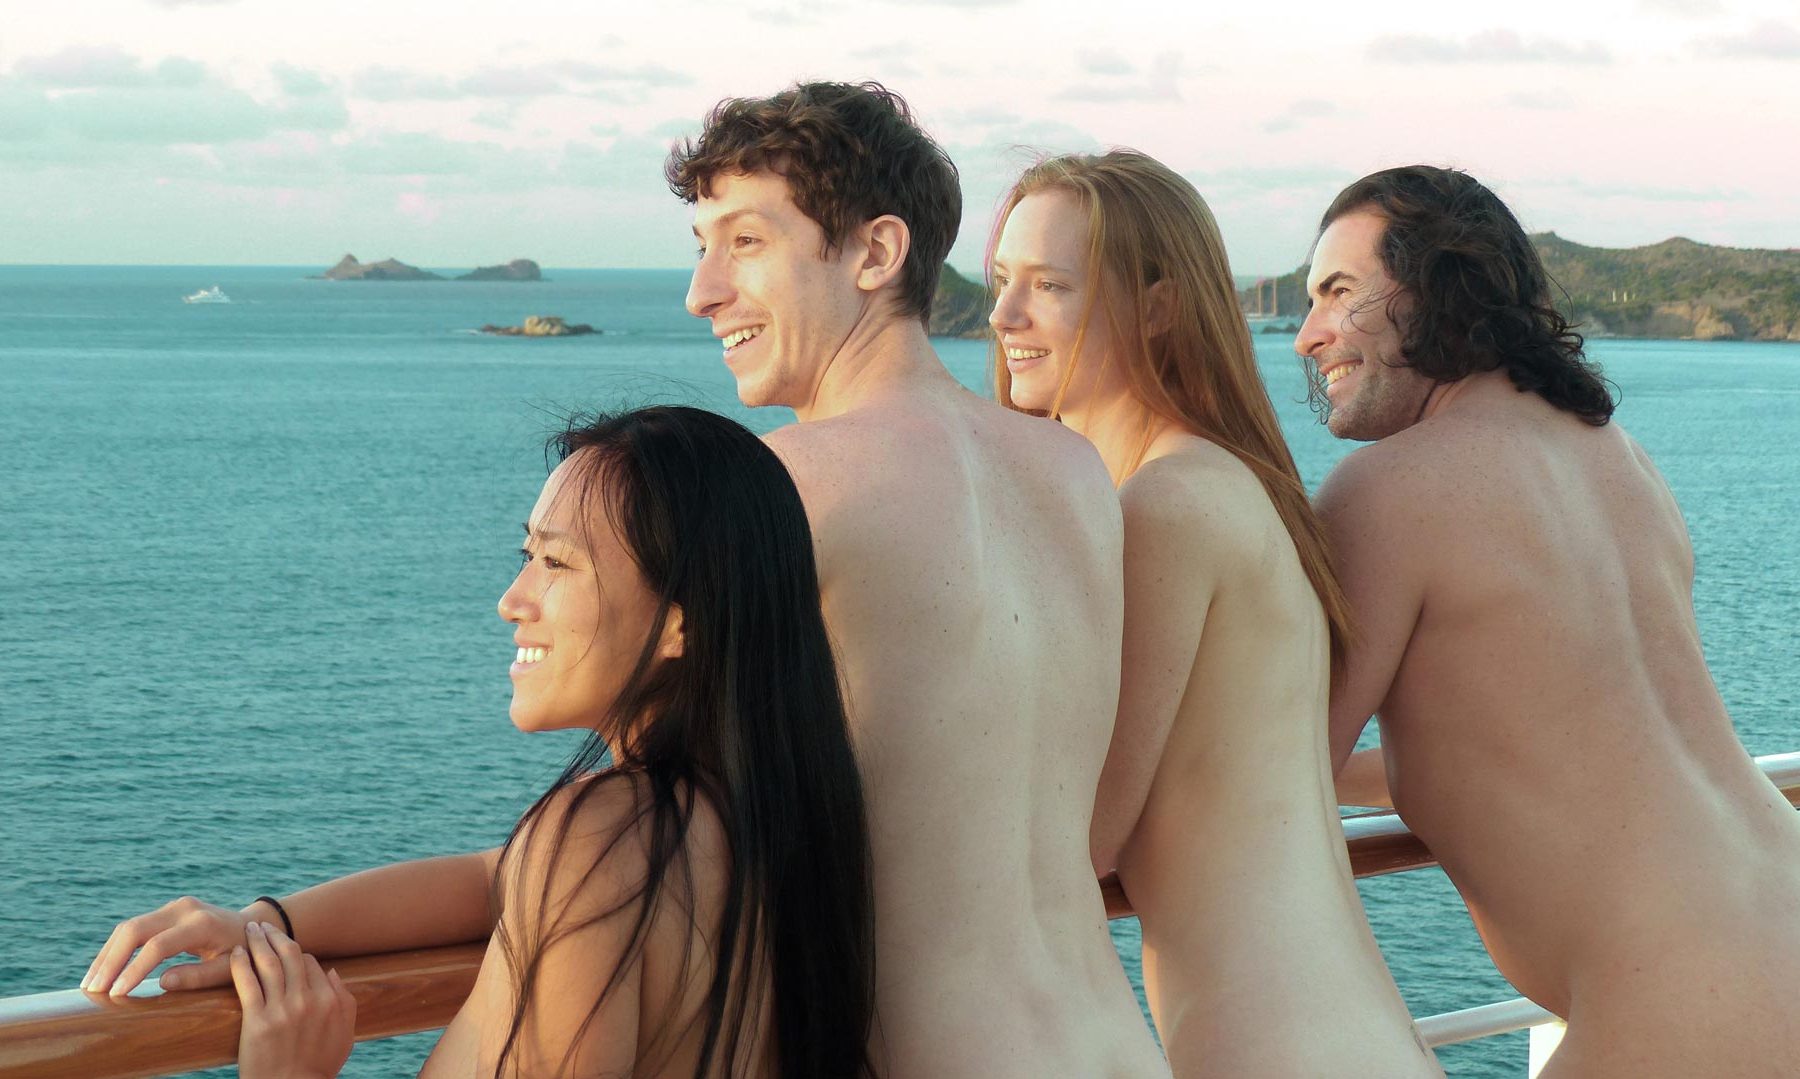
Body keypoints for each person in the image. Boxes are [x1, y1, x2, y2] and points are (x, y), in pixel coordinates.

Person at [85, 406, 877, 1078]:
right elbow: (490, 877)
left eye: (557, 561)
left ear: (682, 622)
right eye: (526, 554)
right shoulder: (759, 817)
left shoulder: (598, 838)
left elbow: (536, 871)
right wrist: (267, 924)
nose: (511, 599)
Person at [671, 83, 1169, 1076]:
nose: (703, 291)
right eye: (702, 246)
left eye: (746, 241)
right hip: (1117, 1047)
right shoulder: (1073, 471)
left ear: (876, 251)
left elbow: (651, 836)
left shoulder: (781, 488)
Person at [1302, 165, 1800, 1078]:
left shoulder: (1386, 490)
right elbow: (1549, 747)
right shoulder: (1619, 459)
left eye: (1338, 291)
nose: (1307, 334)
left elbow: (1282, 774)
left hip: (1688, 1006)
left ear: (1436, 291)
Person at [988, 150, 1440, 1078]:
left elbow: (1086, 833)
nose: (1003, 316)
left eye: (1049, 285)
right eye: (1003, 281)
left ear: (1157, 306)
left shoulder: (1166, 507)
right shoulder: (1222, 482)